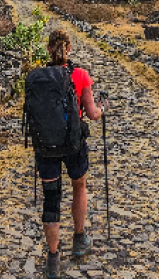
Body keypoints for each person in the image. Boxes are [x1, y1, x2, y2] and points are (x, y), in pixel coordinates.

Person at [36, 29, 106, 279]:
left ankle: (53, 259)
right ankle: (79, 239)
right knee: (79, 185)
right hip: (74, 143)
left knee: (51, 199)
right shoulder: (80, 74)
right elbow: (92, 114)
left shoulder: (38, 77)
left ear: (48, 49)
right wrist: (103, 106)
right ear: (70, 49)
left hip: (46, 146)